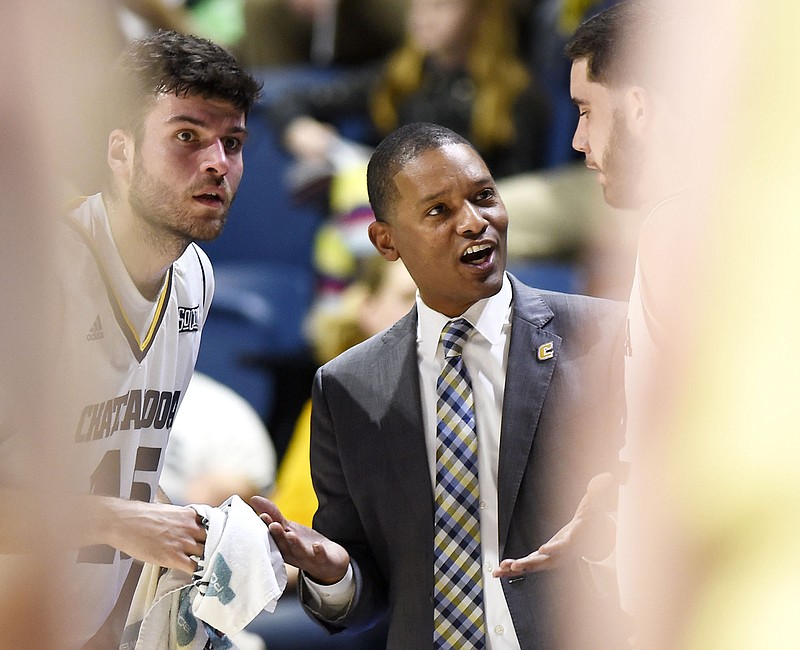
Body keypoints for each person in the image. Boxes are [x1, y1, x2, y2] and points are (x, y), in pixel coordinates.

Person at [252, 121, 629, 649]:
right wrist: (334, 572)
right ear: (385, 241)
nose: (475, 223)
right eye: (439, 211)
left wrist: (616, 517)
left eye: (484, 197)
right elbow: (367, 595)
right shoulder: (347, 387)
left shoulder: (605, 337)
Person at [0, 30, 261, 650]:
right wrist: (121, 523)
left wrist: (194, 532)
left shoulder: (195, 276)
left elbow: (125, 477)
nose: (217, 163)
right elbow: (117, 514)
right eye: (187, 136)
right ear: (119, 152)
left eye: (234, 142)